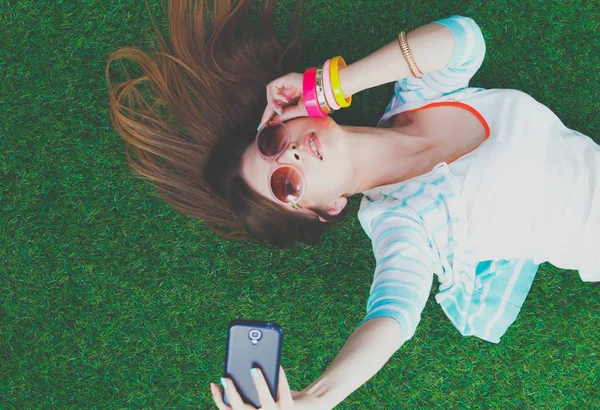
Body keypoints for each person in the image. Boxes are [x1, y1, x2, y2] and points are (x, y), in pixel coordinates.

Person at [107, 1, 599, 409]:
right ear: (327, 209)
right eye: (286, 183)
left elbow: (463, 38)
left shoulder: (419, 94)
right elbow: (391, 315)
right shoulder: (399, 222)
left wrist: (326, 87)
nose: (293, 154)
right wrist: (317, 398)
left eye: (273, 140)